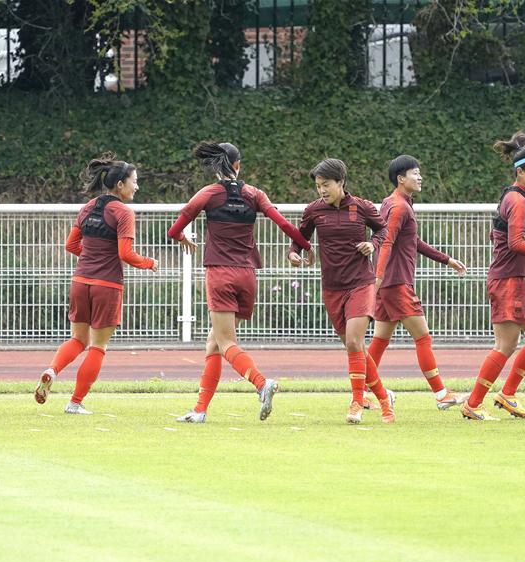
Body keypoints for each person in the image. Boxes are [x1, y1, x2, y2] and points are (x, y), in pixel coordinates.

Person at [167, 142, 310, 423]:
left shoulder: (209, 193)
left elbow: (174, 229)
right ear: (238, 165)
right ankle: (199, 410)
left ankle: (261, 384)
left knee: (226, 341)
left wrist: (183, 238)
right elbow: (284, 224)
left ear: (215, 167)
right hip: (247, 275)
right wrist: (303, 246)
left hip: (220, 274)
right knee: (214, 344)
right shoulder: (254, 194)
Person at [34, 154, 158, 414]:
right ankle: (75, 403)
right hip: (107, 285)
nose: (136, 186)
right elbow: (125, 254)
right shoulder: (123, 212)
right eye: (134, 181)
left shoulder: (89, 206)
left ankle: (51, 370)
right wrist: (149, 263)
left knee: (77, 339)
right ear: (121, 184)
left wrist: (91, 256)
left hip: (80, 281)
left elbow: (70, 245)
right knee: (98, 346)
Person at [461, 132, 525, 421]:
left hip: (516, 279)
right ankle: (472, 403)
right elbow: (515, 243)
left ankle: (507, 394)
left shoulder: (518, 198)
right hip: (506, 281)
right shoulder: (517, 201)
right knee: (505, 345)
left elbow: (511, 241)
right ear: (521, 171)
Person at [288, 158, 395, 424]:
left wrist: (372, 243)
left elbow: (383, 229)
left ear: (341, 182)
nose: (321, 190)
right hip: (332, 288)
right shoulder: (314, 210)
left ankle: (357, 402)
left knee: (353, 342)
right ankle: (384, 399)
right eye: (318, 186)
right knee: (355, 347)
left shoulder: (362, 207)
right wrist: (293, 253)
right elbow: (300, 239)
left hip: (361, 282)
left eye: (326, 185)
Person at [369, 155, 467, 410]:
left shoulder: (392, 203)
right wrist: (378, 277)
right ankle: (441, 394)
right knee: (422, 337)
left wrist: (446, 260)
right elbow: (387, 241)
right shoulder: (400, 207)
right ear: (401, 179)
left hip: (387, 284)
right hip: (396, 284)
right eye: (415, 173)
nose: (420, 176)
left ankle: (363, 393)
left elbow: (412, 242)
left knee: (379, 340)